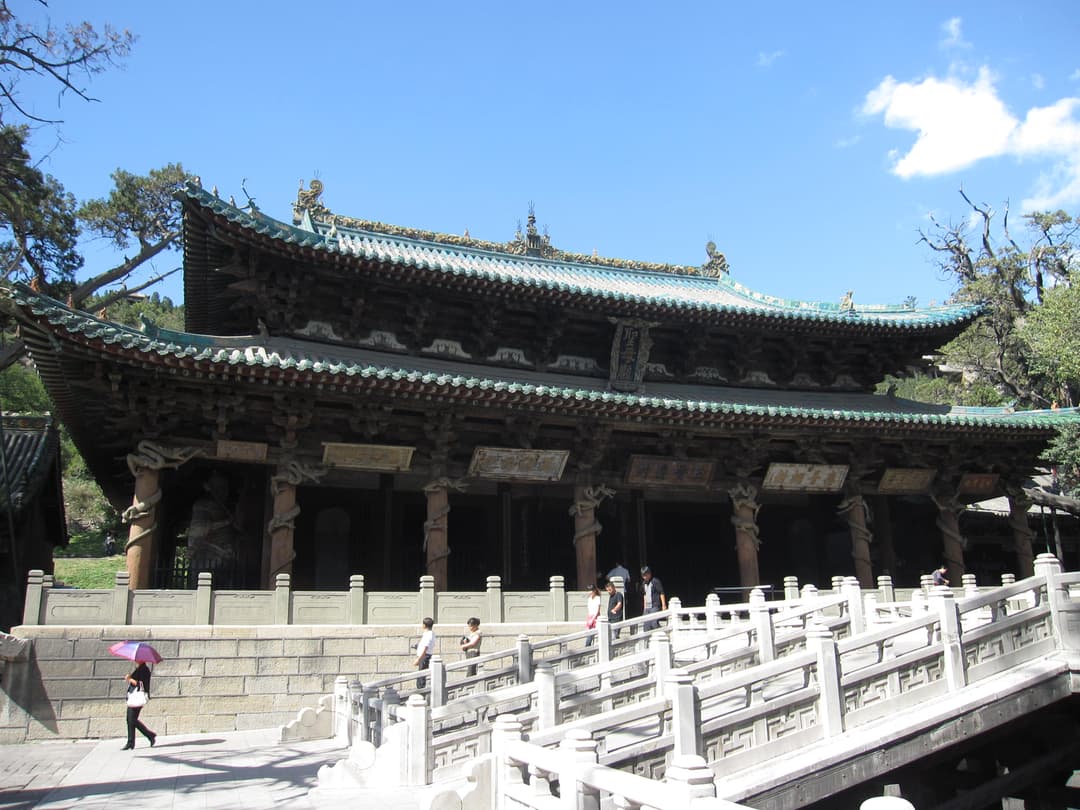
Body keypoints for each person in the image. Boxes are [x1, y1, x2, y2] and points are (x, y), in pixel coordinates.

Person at [122, 662, 156, 750]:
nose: (135, 660)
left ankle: (149, 735)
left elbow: (139, 684)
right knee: (130, 720)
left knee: (132, 719)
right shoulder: (139, 669)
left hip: (138, 697)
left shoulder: (144, 669)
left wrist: (129, 679)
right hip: (133, 697)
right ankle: (131, 742)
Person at [641, 566, 666, 631]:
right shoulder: (643, 583)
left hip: (654, 605)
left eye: (646, 575)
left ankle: (662, 632)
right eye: (643, 576)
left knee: (653, 623)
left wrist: (664, 605)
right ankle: (648, 640)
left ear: (649, 574)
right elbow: (644, 595)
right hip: (647, 607)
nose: (644, 577)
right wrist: (644, 607)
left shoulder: (655, 581)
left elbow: (661, 593)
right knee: (646, 625)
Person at [414, 617, 435, 688]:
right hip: (424, 656)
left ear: (424, 625)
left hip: (424, 657)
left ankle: (421, 692)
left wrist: (419, 659)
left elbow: (425, 648)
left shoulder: (428, 634)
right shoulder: (429, 634)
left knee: (421, 677)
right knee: (421, 676)